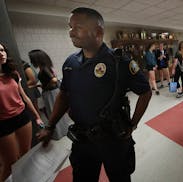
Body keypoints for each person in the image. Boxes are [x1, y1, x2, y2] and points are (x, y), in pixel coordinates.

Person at [37, 7, 152, 182]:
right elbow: (64, 94)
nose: (71, 33)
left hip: (113, 139)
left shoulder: (120, 62)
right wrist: (50, 125)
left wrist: (133, 124)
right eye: (70, 27)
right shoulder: (70, 63)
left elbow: (145, 92)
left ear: (98, 31)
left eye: (78, 27)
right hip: (82, 140)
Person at [0, 42, 43, 181]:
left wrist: (37, 117)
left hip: (22, 117)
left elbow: (24, 97)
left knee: (25, 156)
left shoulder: (12, 74)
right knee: (10, 163)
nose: (1, 53)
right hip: (3, 123)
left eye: (2, 50)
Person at [29, 49, 70, 139]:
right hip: (52, 91)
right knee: (55, 111)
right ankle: (62, 132)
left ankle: (58, 134)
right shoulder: (45, 67)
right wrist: (41, 85)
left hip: (50, 92)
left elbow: (54, 80)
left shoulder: (44, 68)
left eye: (32, 59)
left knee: (53, 112)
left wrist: (45, 87)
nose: (31, 61)